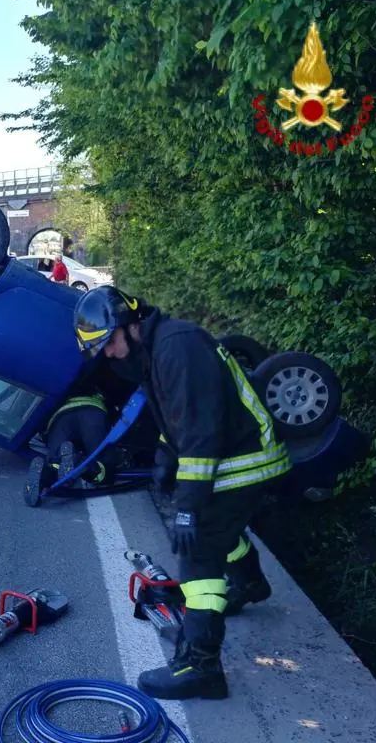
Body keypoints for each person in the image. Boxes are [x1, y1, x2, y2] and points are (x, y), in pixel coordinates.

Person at [73, 285, 290, 700]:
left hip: (244, 461)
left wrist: (187, 508)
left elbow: (201, 434)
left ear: (128, 323)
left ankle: (200, 664)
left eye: (110, 343)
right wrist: (164, 454)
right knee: (216, 529)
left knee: (198, 548)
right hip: (241, 456)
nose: (110, 354)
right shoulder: (157, 351)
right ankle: (248, 584)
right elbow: (179, 420)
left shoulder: (177, 347)